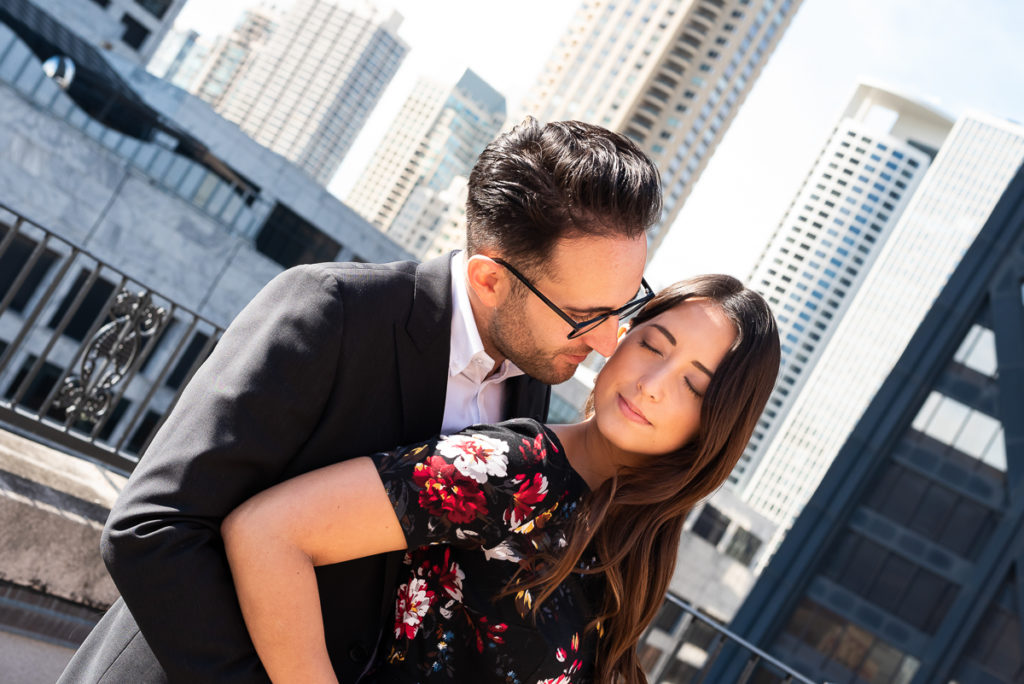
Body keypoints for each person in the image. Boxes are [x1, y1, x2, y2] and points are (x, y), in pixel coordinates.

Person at [58, 118, 662, 684]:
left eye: (624, 304)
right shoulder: (329, 312)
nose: (609, 341)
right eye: (585, 315)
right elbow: (152, 530)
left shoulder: (533, 381)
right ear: (489, 279)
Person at [222, 274, 780, 684]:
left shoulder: (636, 537)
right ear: (619, 340)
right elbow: (268, 532)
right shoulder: (517, 471)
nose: (653, 383)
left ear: (719, 424)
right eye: (652, 346)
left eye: (694, 386)